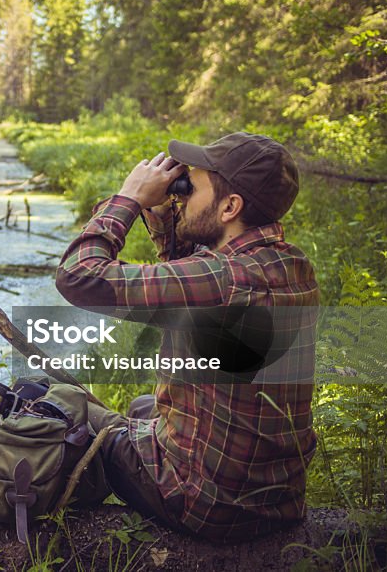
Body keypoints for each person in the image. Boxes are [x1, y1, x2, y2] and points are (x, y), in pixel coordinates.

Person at [55, 132, 318, 543]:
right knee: (145, 406)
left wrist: (129, 200)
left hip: (205, 506)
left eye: (191, 187)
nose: (183, 192)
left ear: (230, 206)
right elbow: (191, 283)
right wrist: (165, 213)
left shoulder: (223, 278)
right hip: (276, 500)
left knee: (63, 405)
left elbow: (78, 276)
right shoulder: (288, 264)